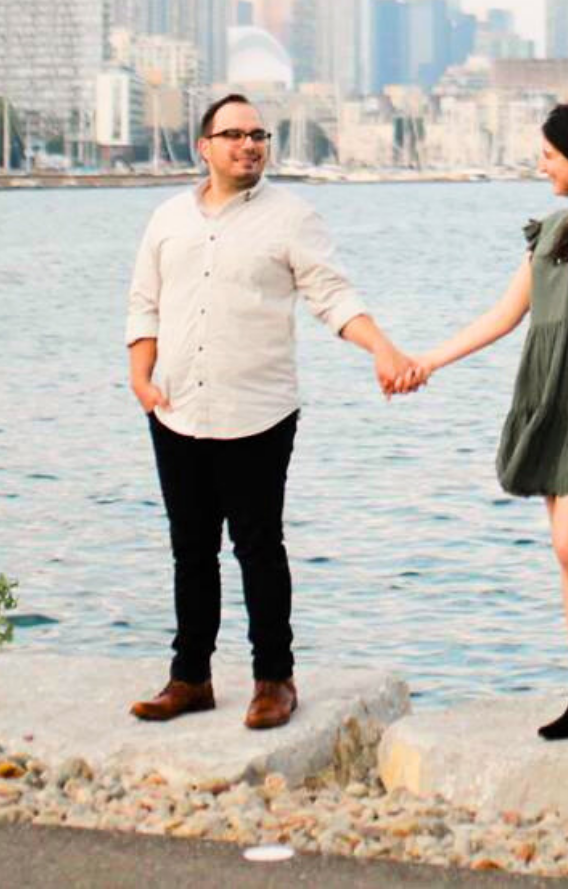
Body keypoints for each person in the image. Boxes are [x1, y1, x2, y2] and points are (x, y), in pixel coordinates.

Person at [124, 90, 420, 732]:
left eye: (259, 135)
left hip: (257, 410)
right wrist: (140, 378)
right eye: (234, 135)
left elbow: (331, 297)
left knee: (259, 546)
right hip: (176, 408)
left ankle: (274, 681)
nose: (250, 145)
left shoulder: (292, 217)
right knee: (190, 549)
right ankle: (190, 678)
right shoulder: (168, 218)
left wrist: (382, 348)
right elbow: (145, 302)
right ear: (204, 147)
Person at [411, 100, 568, 747]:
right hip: (546, 396)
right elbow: (501, 317)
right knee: (566, 559)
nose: (539, 164)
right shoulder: (550, 229)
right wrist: (428, 361)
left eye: (550, 155)